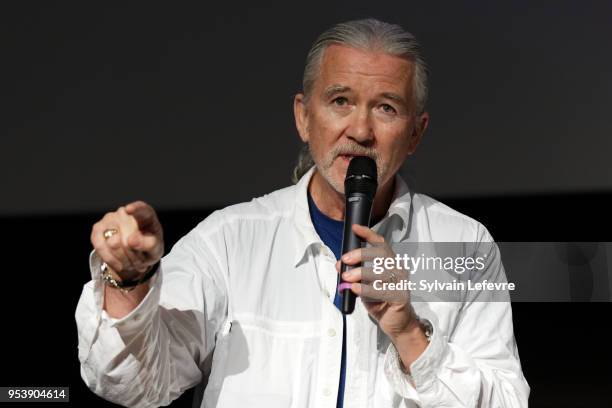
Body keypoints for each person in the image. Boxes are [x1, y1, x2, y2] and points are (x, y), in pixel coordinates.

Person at [76, 18, 529, 408]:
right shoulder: (231, 240)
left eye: (386, 108)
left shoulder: (465, 245)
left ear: (415, 134)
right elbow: (133, 386)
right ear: (303, 117)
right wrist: (130, 285)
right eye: (340, 101)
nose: (361, 130)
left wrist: (410, 332)